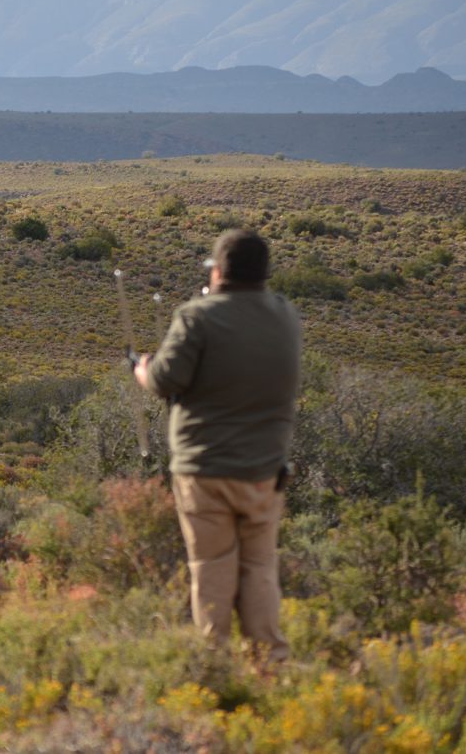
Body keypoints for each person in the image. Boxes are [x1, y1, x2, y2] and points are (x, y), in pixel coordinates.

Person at [134, 229, 300, 661]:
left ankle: (215, 663)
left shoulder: (198, 316)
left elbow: (165, 380)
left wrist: (143, 369)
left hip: (205, 467)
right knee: (260, 568)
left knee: (212, 567)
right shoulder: (285, 316)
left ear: (219, 269)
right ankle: (270, 664)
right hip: (265, 470)